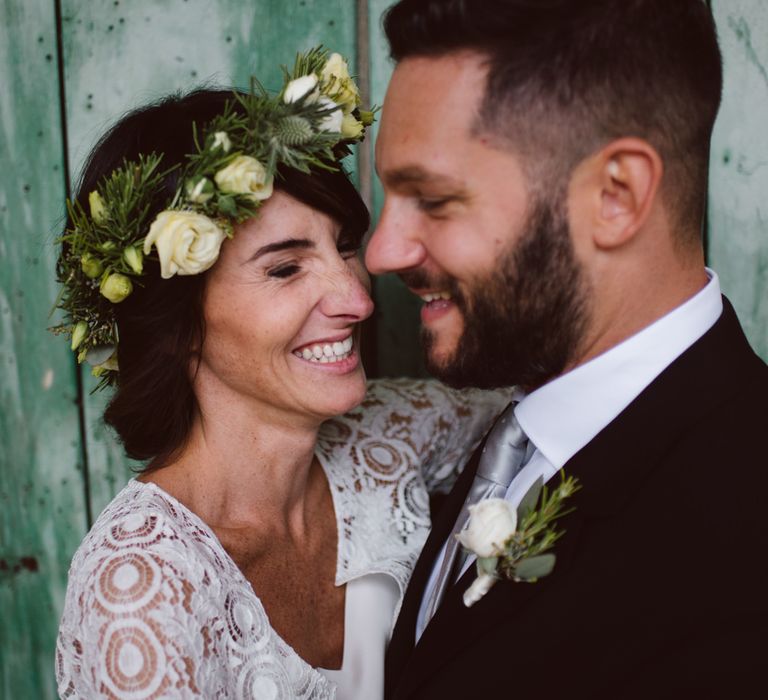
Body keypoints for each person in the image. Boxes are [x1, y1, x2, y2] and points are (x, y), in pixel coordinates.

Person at [53, 50, 509, 699]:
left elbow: (562, 419)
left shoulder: (393, 433)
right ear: (177, 326)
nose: (357, 298)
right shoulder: (142, 591)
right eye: (285, 268)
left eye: (344, 246)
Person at [365, 1, 768, 697]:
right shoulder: (519, 420)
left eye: (431, 199)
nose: (380, 251)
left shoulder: (742, 548)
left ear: (616, 196)